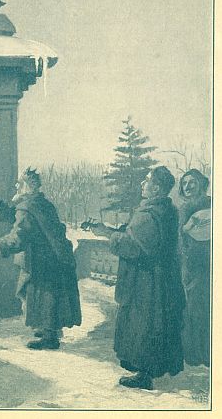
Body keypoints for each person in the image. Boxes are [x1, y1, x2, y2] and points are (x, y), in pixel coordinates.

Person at [92, 166, 185, 390]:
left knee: (144, 321)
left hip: (147, 280)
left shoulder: (150, 213)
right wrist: (113, 230)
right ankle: (148, 369)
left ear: (157, 187)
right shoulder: (166, 209)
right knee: (154, 321)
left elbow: (135, 247)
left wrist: (107, 235)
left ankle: (144, 374)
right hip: (160, 277)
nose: (143, 184)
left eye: (147, 181)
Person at [0, 168, 82, 350]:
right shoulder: (40, 203)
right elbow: (18, 217)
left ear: (29, 186)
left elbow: (19, 234)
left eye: (20, 183)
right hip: (53, 257)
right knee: (45, 295)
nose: (16, 186)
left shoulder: (26, 208)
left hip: (39, 260)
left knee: (41, 295)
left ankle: (49, 336)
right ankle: (47, 330)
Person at [178, 169, 211, 368]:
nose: (188, 187)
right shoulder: (183, 208)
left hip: (208, 263)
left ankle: (208, 353)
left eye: (193, 182)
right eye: (184, 183)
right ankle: (194, 354)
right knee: (191, 308)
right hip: (189, 264)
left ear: (202, 183)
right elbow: (179, 237)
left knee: (207, 307)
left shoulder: (212, 203)